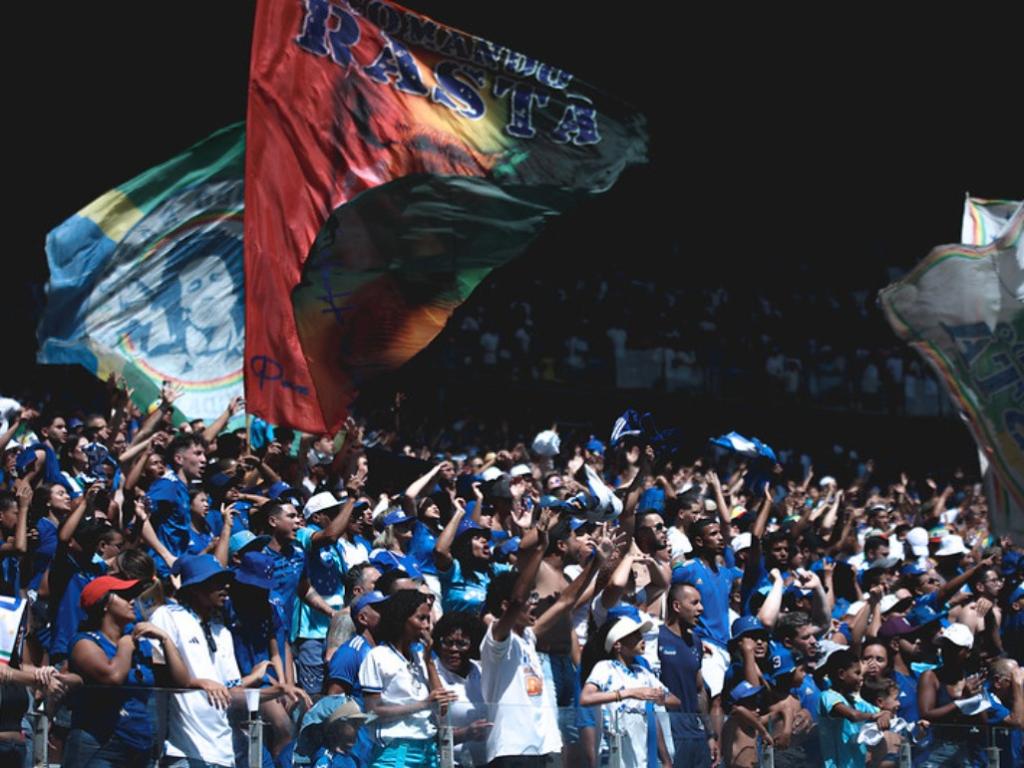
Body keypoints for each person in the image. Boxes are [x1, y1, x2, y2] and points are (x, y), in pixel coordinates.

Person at [63, 575, 190, 767]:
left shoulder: (141, 646)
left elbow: (180, 681)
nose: (132, 601)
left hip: (140, 744)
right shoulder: (85, 642)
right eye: (124, 596)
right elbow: (112, 677)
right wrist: (125, 644)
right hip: (99, 744)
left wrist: (165, 640)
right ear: (104, 604)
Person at [478, 508, 562, 768]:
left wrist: (598, 562)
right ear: (506, 607)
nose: (533, 604)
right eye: (530, 598)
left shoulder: (527, 638)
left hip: (539, 748)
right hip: (511, 751)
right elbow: (517, 598)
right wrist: (541, 549)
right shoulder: (497, 639)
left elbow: (567, 601)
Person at [149, 554, 244, 768]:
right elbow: (160, 676)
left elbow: (232, 690)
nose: (225, 587)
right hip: (182, 749)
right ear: (194, 588)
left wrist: (275, 692)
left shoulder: (223, 631)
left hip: (223, 751)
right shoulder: (167, 616)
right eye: (216, 582)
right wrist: (198, 683)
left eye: (225, 581)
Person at [358, 589, 455, 768]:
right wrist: (422, 705)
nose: (427, 626)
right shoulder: (378, 656)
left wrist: (429, 661)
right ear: (402, 619)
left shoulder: (421, 658)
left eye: (428, 619)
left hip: (428, 750)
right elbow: (372, 712)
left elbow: (442, 706)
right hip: (397, 751)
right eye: (421, 618)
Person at [580, 613, 678, 768]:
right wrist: (629, 693)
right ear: (617, 645)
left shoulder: (643, 673)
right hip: (612, 755)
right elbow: (585, 698)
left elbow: (674, 701)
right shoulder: (605, 668)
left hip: (640, 758)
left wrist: (660, 699)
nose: (642, 639)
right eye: (635, 636)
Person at [659, 581, 715, 768]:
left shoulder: (696, 641)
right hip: (670, 732)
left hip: (695, 732)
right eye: (694, 603)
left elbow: (699, 690)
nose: (701, 608)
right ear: (677, 606)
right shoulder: (656, 638)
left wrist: (709, 734)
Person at [431, 611, 491, 768]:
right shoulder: (431, 675)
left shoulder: (482, 672)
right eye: (448, 642)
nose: (453, 649)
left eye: (461, 643)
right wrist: (465, 734)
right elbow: (427, 735)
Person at [817, 648, 889, 768]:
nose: (861, 678)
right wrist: (874, 716)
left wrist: (885, 715)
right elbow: (853, 715)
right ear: (841, 674)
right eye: (857, 673)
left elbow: (880, 712)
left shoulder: (854, 702)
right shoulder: (828, 697)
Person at [147, 434, 207, 576]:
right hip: (162, 569)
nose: (204, 459)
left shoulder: (183, 487)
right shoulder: (168, 485)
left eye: (204, 454)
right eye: (198, 453)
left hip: (177, 566)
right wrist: (166, 555)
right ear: (179, 459)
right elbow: (140, 514)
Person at [312, 699, 373, 768]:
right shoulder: (326, 759)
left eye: (359, 726)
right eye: (354, 725)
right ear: (338, 726)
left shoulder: (353, 758)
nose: (358, 731)